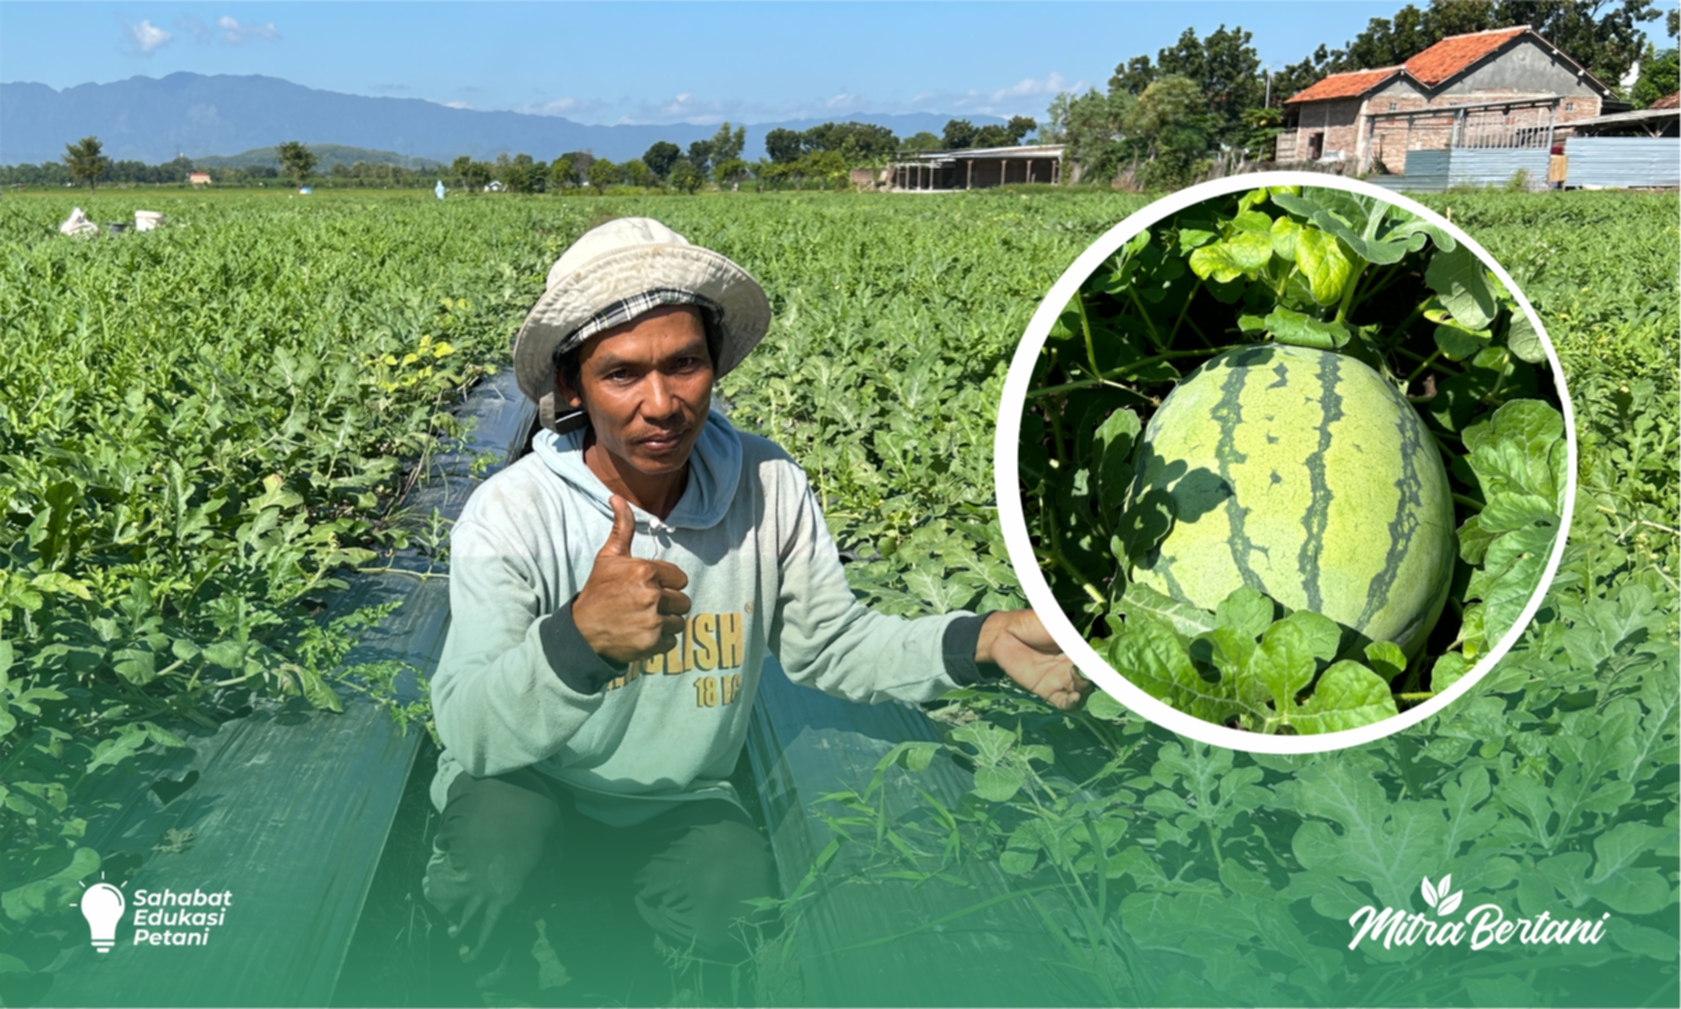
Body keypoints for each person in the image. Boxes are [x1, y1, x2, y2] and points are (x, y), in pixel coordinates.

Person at [421, 217, 1091, 994]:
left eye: (685, 364)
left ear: (714, 364)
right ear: (572, 387)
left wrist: (983, 638)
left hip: (673, 798)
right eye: (621, 374)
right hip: (529, 779)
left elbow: (831, 645)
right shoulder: (513, 512)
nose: (662, 402)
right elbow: (469, 729)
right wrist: (577, 639)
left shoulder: (767, 484)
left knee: (728, 898)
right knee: (497, 849)